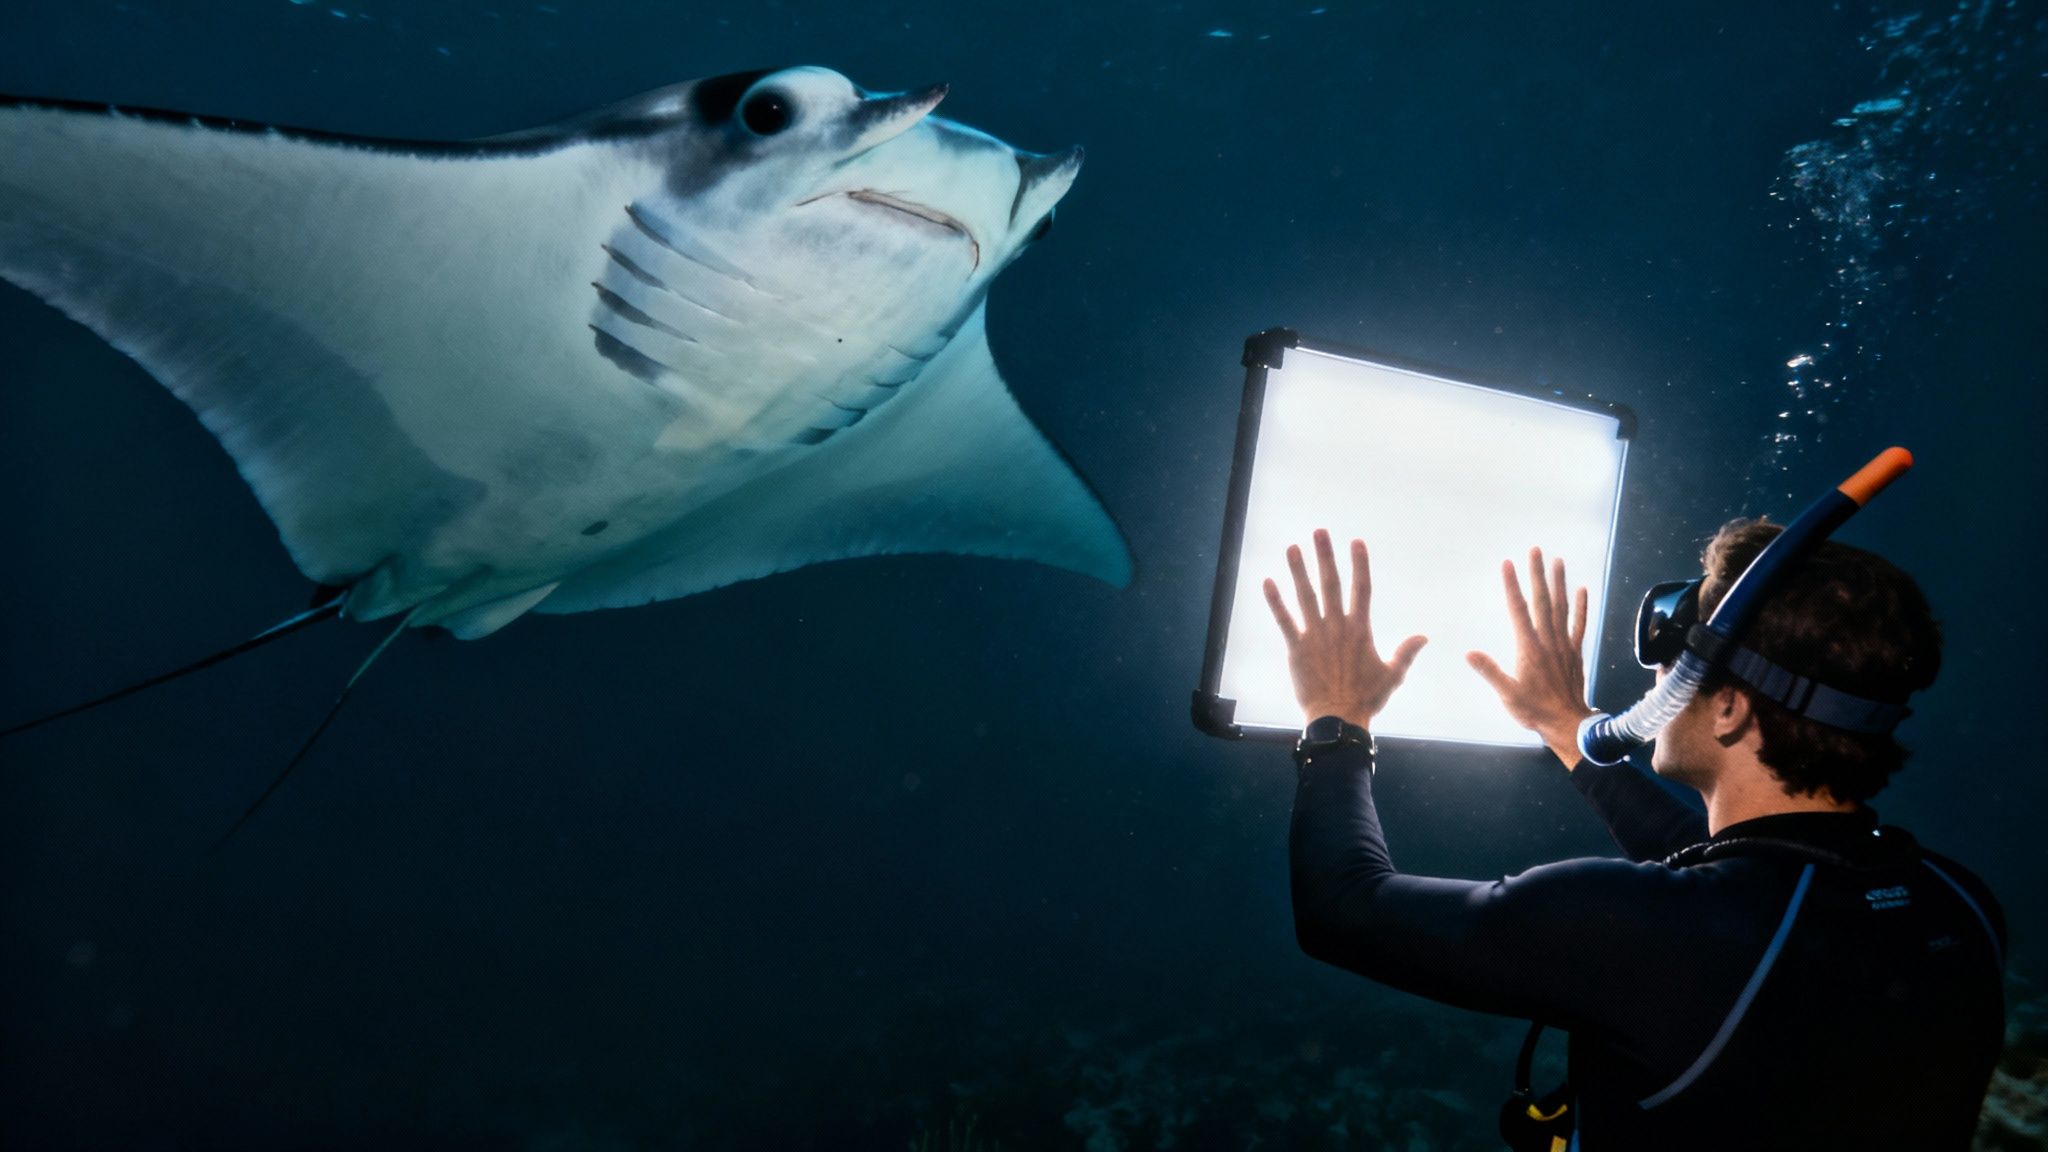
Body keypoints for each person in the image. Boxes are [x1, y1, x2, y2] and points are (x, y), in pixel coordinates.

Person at [1264, 522, 2005, 1150]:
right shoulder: (1959, 905)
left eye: (1677, 654)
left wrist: (1337, 719)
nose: (1654, 676)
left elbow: (1341, 906)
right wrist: (1566, 726)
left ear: (1728, 710)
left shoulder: (1633, 926)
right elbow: (1743, 888)